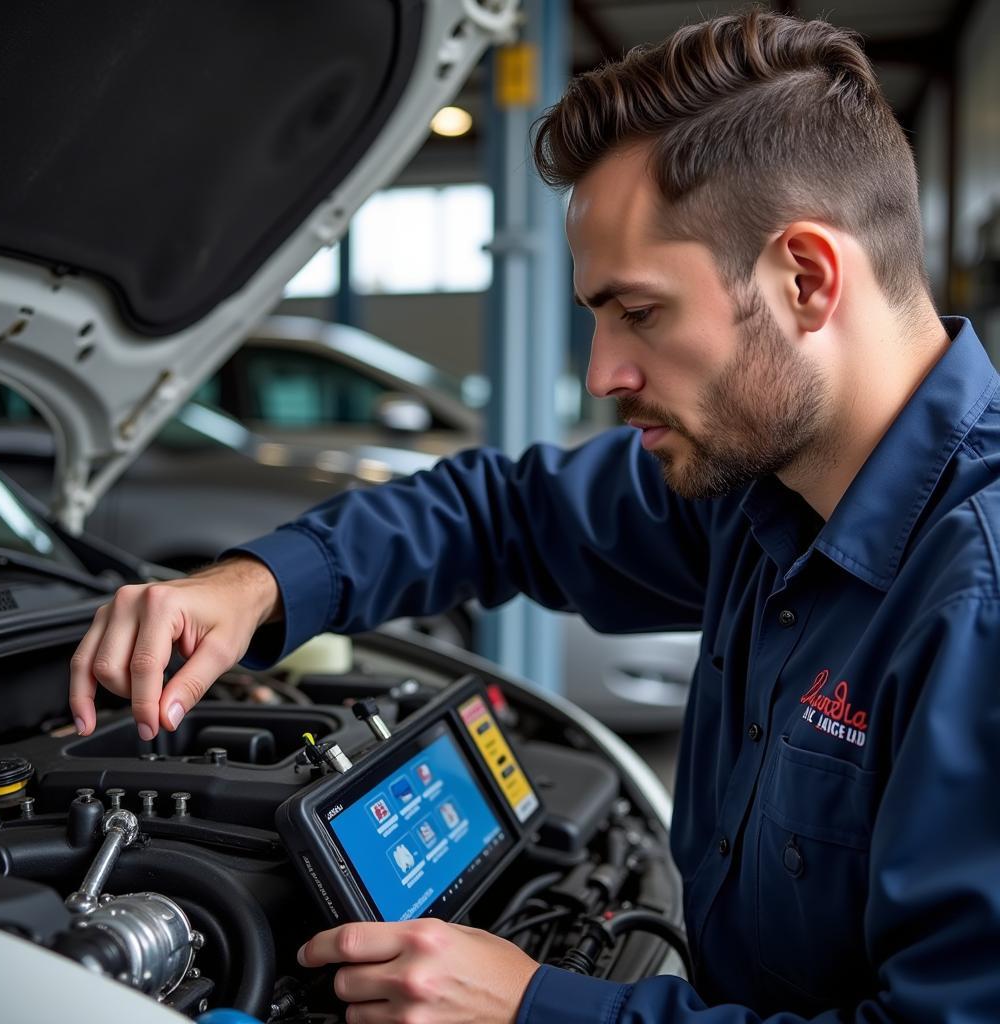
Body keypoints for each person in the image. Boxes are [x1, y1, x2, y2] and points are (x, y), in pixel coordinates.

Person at [69, 10, 1000, 1024]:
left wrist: (536, 1009)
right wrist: (256, 583)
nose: (604, 373)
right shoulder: (767, 491)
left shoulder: (975, 597)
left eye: (638, 311)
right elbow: (501, 509)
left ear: (806, 278)